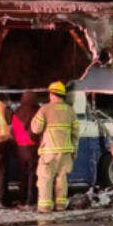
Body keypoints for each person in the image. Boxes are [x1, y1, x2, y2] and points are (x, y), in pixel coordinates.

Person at [29, 81, 79, 213]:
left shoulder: (45, 109)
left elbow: (35, 129)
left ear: (51, 94)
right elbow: (76, 134)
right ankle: (60, 206)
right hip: (66, 152)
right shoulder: (70, 111)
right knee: (61, 179)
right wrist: (74, 150)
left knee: (45, 178)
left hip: (49, 152)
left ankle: (45, 207)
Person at [10, 90, 42, 208]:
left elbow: (14, 129)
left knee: (22, 174)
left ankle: (22, 199)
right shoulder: (37, 110)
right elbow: (40, 128)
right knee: (33, 174)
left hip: (20, 147)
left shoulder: (17, 112)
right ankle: (31, 199)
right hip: (33, 146)